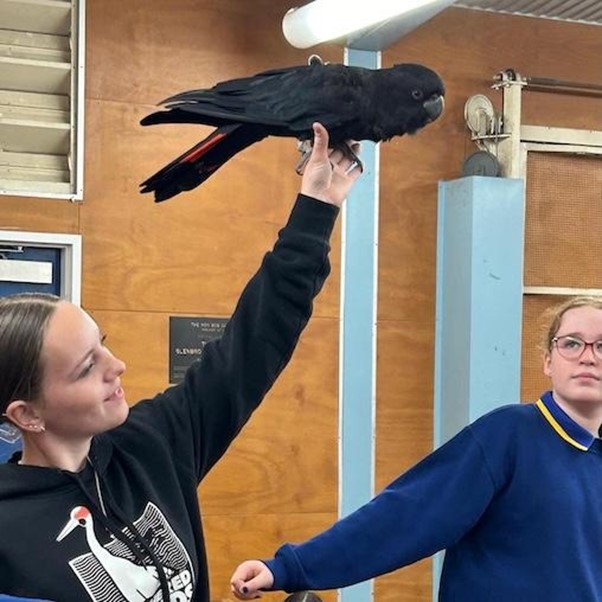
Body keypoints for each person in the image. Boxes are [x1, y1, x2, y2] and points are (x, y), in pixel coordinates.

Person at [0, 122, 362, 601]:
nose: (117, 366)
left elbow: (254, 343)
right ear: (28, 413)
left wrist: (317, 206)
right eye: (87, 366)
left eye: (103, 344)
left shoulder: (154, 445)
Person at [231, 295, 602, 601]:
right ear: (548, 361)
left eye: (601, 345)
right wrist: (289, 567)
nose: (588, 356)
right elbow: (403, 516)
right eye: (571, 343)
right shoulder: (508, 436)